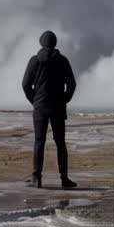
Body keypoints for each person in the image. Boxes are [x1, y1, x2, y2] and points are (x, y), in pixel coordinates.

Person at [21, 30, 77, 189]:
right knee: (60, 143)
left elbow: (25, 85)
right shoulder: (62, 60)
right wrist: (65, 99)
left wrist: (35, 101)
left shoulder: (34, 60)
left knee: (39, 142)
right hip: (58, 107)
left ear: (41, 42)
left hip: (40, 107)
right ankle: (64, 179)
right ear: (55, 43)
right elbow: (72, 84)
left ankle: (37, 178)